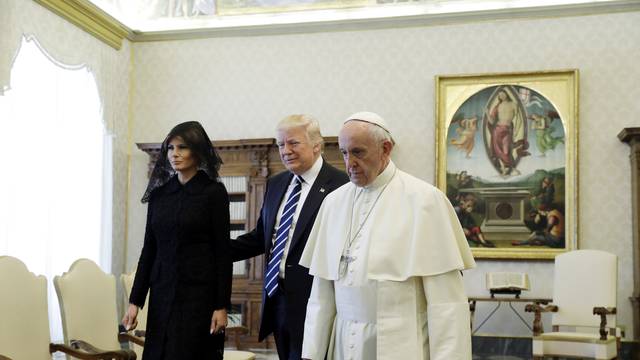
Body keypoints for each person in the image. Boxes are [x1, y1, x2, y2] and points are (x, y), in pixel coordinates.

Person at [300, 112, 476, 360]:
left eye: (358, 152)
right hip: (342, 342)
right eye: (344, 153)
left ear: (385, 149)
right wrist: (311, 354)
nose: (349, 163)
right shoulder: (333, 203)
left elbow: (446, 305)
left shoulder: (425, 201)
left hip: (400, 344)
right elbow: (321, 294)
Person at [231, 114, 349, 359]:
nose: (285, 151)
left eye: (293, 143)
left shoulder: (341, 185)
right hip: (277, 298)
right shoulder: (276, 184)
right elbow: (261, 238)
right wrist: (210, 251)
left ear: (317, 145)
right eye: (280, 144)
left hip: (318, 301)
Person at [122, 121, 232, 360]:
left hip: (199, 298)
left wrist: (221, 306)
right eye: (170, 148)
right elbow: (149, 250)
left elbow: (222, 253)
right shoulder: (159, 195)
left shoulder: (214, 193)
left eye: (182, 147)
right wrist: (135, 302)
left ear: (198, 150)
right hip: (162, 294)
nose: (175, 154)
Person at [487, 88, 528, 176]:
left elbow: (519, 119)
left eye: (503, 94)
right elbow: (491, 122)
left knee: (506, 151)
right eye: (500, 95)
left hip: (507, 129)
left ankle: (512, 168)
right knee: (498, 150)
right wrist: (487, 113)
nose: (501, 96)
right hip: (497, 129)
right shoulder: (498, 106)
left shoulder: (513, 104)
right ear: (498, 97)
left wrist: (516, 130)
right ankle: (503, 169)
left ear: (506, 94)